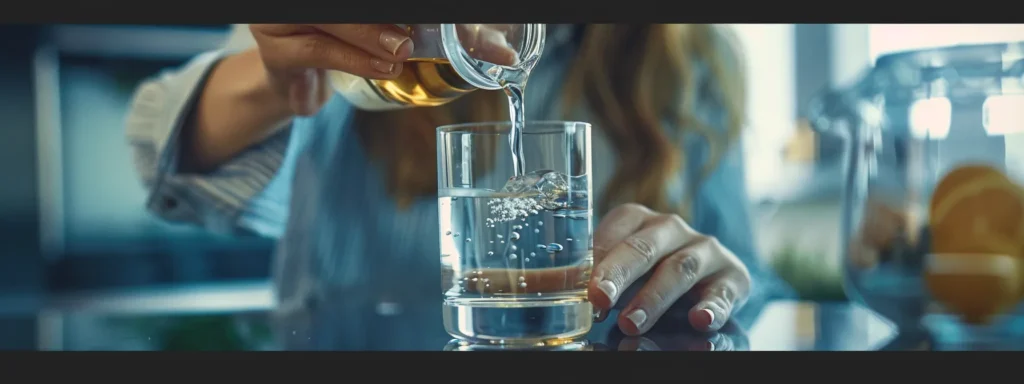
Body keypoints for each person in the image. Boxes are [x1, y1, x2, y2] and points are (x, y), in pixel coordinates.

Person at [125, 23, 794, 350]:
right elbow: (160, 155)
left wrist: (706, 281)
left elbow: (742, 285)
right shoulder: (371, 34)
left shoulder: (688, 53)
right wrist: (281, 75)